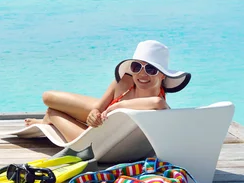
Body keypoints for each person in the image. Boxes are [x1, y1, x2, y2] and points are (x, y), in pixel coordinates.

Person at [24, 40, 191, 143]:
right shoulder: (125, 81)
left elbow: (159, 103)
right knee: (48, 97)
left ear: (162, 75)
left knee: (82, 144)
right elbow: (99, 107)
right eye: (136, 67)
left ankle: (51, 118)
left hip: (106, 141)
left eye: (151, 69)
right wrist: (94, 114)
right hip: (101, 123)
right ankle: (49, 121)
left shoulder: (158, 100)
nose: (142, 74)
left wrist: (118, 106)